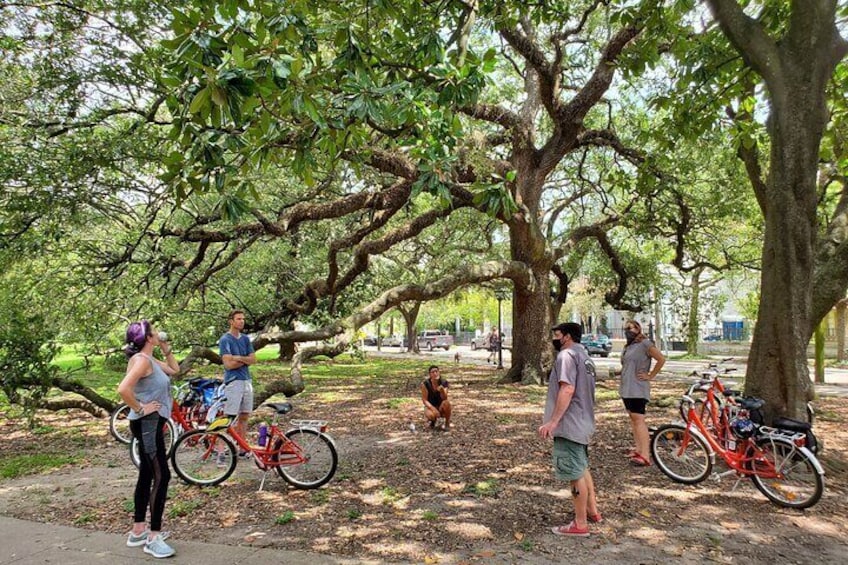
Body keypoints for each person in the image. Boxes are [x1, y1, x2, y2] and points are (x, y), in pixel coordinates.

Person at [117, 320, 179, 558]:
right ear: (148, 338)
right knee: (162, 475)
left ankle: (138, 530)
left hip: (149, 423)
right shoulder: (142, 361)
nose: (158, 332)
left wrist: (166, 349)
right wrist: (142, 408)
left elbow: (174, 370)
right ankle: (153, 537)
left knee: (146, 474)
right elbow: (123, 389)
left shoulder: (149, 359)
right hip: (148, 423)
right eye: (154, 331)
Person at [538, 322, 600, 537]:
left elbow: (567, 388)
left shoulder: (566, 356)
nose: (554, 338)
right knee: (582, 467)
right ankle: (592, 511)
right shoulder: (585, 356)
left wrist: (553, 422)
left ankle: (580, 524)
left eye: (557, 334)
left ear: (567, 337)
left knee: (574, 473)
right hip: (584, 420)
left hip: (570, 423)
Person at [619, 320, 666, 467]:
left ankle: (645, 455)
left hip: (638, 388)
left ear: (639, 329)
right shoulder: (628, 347)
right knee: (633, 419)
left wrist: (651, 375)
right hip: (626, 388)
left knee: (639, 420)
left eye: (632, 328)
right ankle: (638, 449)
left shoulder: (645, 344)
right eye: (627, 328)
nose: (629, 330)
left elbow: (661, 359)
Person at [219, 310, 256, 458]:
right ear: (231, 321)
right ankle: (221, 450)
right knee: (229, 417)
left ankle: (242, 447)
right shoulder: (225, 340)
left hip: (246, 381)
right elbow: (228, 364)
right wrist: (243, 359)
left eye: (243, 319)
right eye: (238, 319)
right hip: (234, 382)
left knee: (245, 415)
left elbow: (253, 359)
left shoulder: (246, 339)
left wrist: (238, 358)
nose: (242, 321)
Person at [421, 365, 452, 430]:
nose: (435, 373)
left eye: (436, 371)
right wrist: (433, 409)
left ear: (439, 372)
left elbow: (444, 398)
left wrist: (442, 390)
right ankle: (433, 421)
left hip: (441, 406)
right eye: (433, 372)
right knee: (430, 415)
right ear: (430, 374)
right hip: (431, 406)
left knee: (447, 403)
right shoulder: (425, 384)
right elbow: (424, 400)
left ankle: (447, 422)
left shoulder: (444, 382)